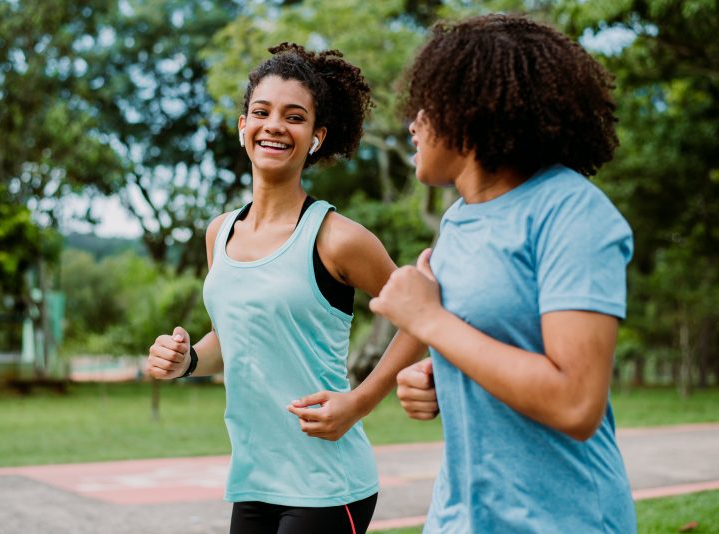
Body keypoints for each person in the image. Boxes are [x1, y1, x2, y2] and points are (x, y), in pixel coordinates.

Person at [369, 14, 637, 533]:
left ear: (470, 107)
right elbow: (493, 341)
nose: (413, 124)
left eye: (427, 106)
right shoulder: (459, 219)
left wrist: (431, 324)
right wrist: (440, 379)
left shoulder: (573, 212)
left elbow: (576, 402)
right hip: (461, 518)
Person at [147, 43, 426, 534]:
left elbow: (422, 319)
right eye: (262, 112)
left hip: (327, 481)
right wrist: (187, 360)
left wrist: (358, 402)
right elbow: (231, 340)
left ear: (316, 137)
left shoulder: (338, 238)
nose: (274, 125)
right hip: (255, 480)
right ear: (242, 127)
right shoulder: (220, 232)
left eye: (294, 117)